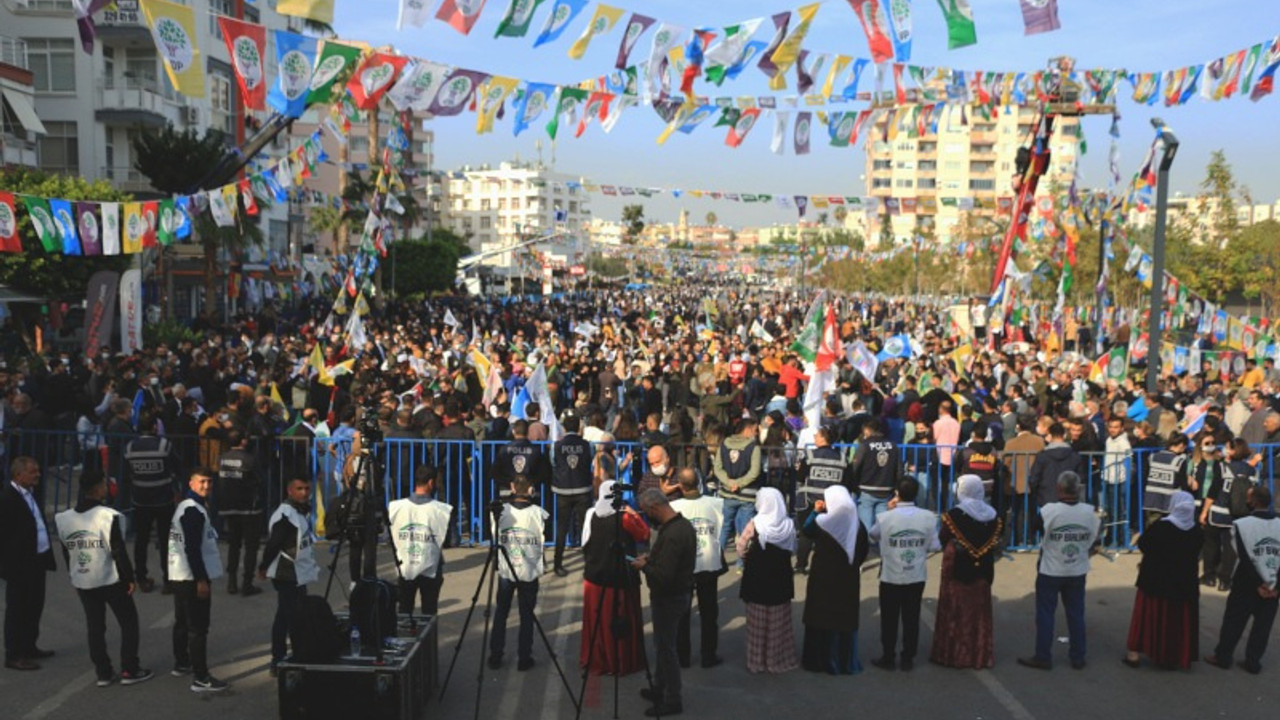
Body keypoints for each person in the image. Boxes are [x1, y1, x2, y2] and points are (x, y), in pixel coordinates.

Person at [54, 469, 153, 686]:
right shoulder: (107, 516)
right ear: (99, 488)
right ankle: (130, 668)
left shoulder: (64, 519)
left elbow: (67, 551)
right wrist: (129, 578)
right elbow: (117, 550)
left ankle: (103, 672)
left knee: (95, 626)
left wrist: (75, 574)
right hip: (110, 577)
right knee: (128, 622)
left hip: (83, 578)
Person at [1018, 471, 1101, 671]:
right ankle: (1078, 656)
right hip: (1077, 569)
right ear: (1078, 489)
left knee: (1046, 614)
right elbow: (1095, 540)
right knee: (1076, 613)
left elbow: (1036, 527)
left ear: (1059, 489)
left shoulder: (1049, 511)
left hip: (1051, 568)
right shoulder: (1090, 513)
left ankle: (1043, 656)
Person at [1204, 485, 1280, 675]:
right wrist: (1274, 585)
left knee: (1234, 622)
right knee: (1262, 627)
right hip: (1273, 585)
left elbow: (1244, 557)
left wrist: (1259, 584)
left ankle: (1223, 657)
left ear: (1253, 501)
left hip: (1247, 583)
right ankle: (1253, 662)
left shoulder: (1241, 525)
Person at [1124, 491, 1203, 670]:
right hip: (1183, 584)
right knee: (1177, 621)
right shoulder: (1196, 531)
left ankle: (1135, 653)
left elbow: (1144, 544)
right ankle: (1173, 656)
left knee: (1149, 617)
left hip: (1155, 580)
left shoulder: (1161, 527)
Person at [633, 489, 696, 717]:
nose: (647, 515)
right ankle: (660, 687)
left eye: (647, 511)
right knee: (663, 647)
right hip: (679, 594)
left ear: (654, 508)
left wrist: (645, 567)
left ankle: (672, 698)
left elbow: (664, 575)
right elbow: (670, 559)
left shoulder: (672, 534)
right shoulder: (682, 526)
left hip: (669, 597)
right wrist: (651, 558)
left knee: (666, 650)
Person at [868, 478, 940, 671]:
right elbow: (935, 545)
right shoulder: (928, 517)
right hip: (916, 574)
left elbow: (873, 535)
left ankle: (888, 656)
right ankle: (908, 657)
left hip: (891, 575)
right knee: (912, 617)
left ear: (897, 494)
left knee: (889, 618)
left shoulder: (885, 517)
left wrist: (890, 512)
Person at [930, 475, 1002, 669]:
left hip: (957, 564)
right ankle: (979, 655)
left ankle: (953, 654)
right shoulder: (992, 514)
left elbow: (943, 538)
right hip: (983, 566)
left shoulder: (954, 515)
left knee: (955, 607)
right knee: (978, 609)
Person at [168, 467, 229, 692]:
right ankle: (201, 677)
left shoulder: (189, 507)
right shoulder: (192, 510)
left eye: (209, 482)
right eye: (202, 482)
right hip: (190, 576)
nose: (206, 486)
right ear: (191, 484)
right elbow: (192, 548)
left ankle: (182, 662)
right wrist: (201, 580)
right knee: (198, 627)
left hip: (180, 574)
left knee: (183, 621)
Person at [580, 480, 649, 676]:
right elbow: (644, 535)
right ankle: (620, 661)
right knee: (620, 620)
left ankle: (597, 659)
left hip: (595, 577)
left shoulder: (591, 514)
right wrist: (634, 514)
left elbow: (585, 542)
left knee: (597, 621)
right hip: (621, 579)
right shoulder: (626, 518)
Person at [800, 485, 869, 675]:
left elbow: (806, 530)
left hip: (822, 578)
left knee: (820, 615)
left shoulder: (823, 522)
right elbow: (862, 552)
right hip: (847, 579)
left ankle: (817, 661)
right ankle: (843, 660)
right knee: (843, 616)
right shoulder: (857, 525)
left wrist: (815, 511)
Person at [256, 476, 319, 675]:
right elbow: (274, 543)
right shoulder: (286, 515)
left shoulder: (298, 512)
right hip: (287, 573)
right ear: (289, 491)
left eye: (307, 488)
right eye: (299, 489)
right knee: (287, 617)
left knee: (290, 614)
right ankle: (279, 658)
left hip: (297, 572)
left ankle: (288, 655)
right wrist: (264, 567)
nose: (304, 492)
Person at [1, 457, 57, 670]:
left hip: (37, 560)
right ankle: (14, 654)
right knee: (18, 609)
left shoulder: (31, 494)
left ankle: (29, 645)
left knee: (35, 605)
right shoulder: (7, 499)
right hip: (19, 565)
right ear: (19, 475)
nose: (38, 475)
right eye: (33, 472)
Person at [489, 474, 549, 671]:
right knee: (526, 614)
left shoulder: (501, 512)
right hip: (529, 569)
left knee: (501, 612)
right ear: (531, 489)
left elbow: (494, 536)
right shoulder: (538, 513)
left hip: (507, 568)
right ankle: (524, 656)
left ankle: (495, 655)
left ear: (512, 487)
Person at [736, 487, 798, 675]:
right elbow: (793, 548)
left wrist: (746, 558)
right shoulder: (788, 524)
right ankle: (775, 660)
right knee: (778, 621)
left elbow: (741, 547)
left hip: (757, 577)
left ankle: (756, 662)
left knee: (757, 621)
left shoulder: (756, 523)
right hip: (780, 577)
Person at [669, 467, 725, 669]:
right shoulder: (715, 504)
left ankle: (683, 657)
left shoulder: (673, 506)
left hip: (684, 566)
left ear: (681, 486)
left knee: (683, 613)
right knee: (709, 613)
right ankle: (708, 655)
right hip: (708, 563)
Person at [123, 413, 181, 594]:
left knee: (141, 540)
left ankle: (141, 578)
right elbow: (177, 467)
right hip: (163, 499)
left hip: (140, 500)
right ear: (155, 427)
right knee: (165, 541)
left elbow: (126, 473)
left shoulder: (130, 447)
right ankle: (168, 580)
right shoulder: (164, 445)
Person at [387, 464, 452, 615]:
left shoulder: (396, 507)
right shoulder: (441, 510)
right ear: (431, 483)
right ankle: (428, 638)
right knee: (429, 613)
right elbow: (446, 539)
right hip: (431, 566)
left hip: (405, 565)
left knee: (404, 610)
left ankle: (404, 637)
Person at [794, 426, 855, 574]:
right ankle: (826, 564)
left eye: (817, 435)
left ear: (823, 438)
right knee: (828, 535)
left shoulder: (810, 455)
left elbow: (800, 477)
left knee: (806, 534)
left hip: (810, 501)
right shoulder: (842, 458)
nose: (814, 437)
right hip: (832, 503)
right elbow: (848, 482)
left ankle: (801, 565)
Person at [1200, 438, 1255, 592]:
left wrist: (1204, 511)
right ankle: (1225, 580)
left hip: (1218, 512)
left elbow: (1213, 491)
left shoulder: (1222, 467)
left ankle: (1209, 576)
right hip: (1239, 514)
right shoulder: (1250, 470)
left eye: (1226, 447)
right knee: (1231, 548)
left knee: (1211, 544)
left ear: (1232, 451)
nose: (1224, 450)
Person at [713, 415, 762, 569]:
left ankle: (716, 559)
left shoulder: (724, 444)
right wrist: (740, 484)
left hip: (727, 493)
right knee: (745, 530)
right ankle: (742, 562)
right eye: (755, 430)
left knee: (724, 527)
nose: (756, 433)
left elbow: (717, 468)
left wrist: (729, 482)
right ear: (747, 430)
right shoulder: (753, 447)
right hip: (747, 494)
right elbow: (755, 472)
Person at [217, 430, 263, 596]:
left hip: (229, 506)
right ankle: (247, 583)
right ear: (243, 442)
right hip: (249, 508)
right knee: (251, 547)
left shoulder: (222, 458)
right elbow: (259, 479)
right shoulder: (249, 459)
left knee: (233, 545)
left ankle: (231, 582)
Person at [551, 413, 593, 577]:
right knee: (585, 528)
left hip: (563, 490)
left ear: (564, 428)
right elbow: (589, 460)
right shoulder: (587, 445)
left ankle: (558, 564)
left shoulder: (556, 446)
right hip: (583, 489)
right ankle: (589, 563)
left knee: (562, 528)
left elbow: (554, 463)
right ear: (578, 428)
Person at [849, 417, 900, 532]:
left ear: (867, 430)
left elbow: (855, 467)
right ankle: (880, 549)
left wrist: (852, 485)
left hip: (866, 489)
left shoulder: (865, 445)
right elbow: (899, 470)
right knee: (881, 527)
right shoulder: (893, 446)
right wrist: (897, 490)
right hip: (886, 490)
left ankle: (866, 549)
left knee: (865, 527)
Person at [1143, 433, 1190, 527]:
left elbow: (1146, 477)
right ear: (1181, 445)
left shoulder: (1153, 457)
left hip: (1151, 500)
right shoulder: (1179, 461)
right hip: (1169, 503)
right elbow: (1182, 483)